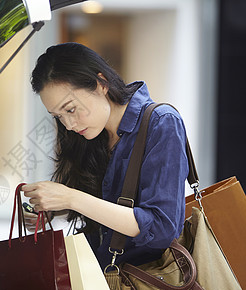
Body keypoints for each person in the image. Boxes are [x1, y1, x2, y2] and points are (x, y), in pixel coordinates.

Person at [21, 42, 188, 270]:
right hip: (95, 278)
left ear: (101, 84)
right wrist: (53, 207)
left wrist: (71, 198)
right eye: (58, 116)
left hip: (145, 284)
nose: (68, 125)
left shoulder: (161, 123)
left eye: (70, 109)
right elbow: (104, 202)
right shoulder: (87, 135)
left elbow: (161, 228)